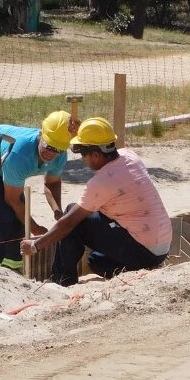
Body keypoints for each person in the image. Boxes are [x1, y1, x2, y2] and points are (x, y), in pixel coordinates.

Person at [20, 118, 172, 287]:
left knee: (74, 218)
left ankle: (63, 281)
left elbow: (67, 224)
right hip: (161, 248)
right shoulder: (130, 157)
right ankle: (134, 267)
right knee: (97, 261)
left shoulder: (102, 182)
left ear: (95, 155)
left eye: (83, 154)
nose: (83, 160)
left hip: (143, 250)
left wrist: (35, 245)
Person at [0, 111, 73, 270]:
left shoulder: (59, 155)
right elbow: (12, 200)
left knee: (19, 223)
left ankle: (12, 268)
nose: (51, 153)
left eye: (57, 149)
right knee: (1, 218)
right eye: (48, 146)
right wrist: (35, 227)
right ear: (41, 135)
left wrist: (58, 212)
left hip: (8, 165)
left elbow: (52, 184)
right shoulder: (19, 154)